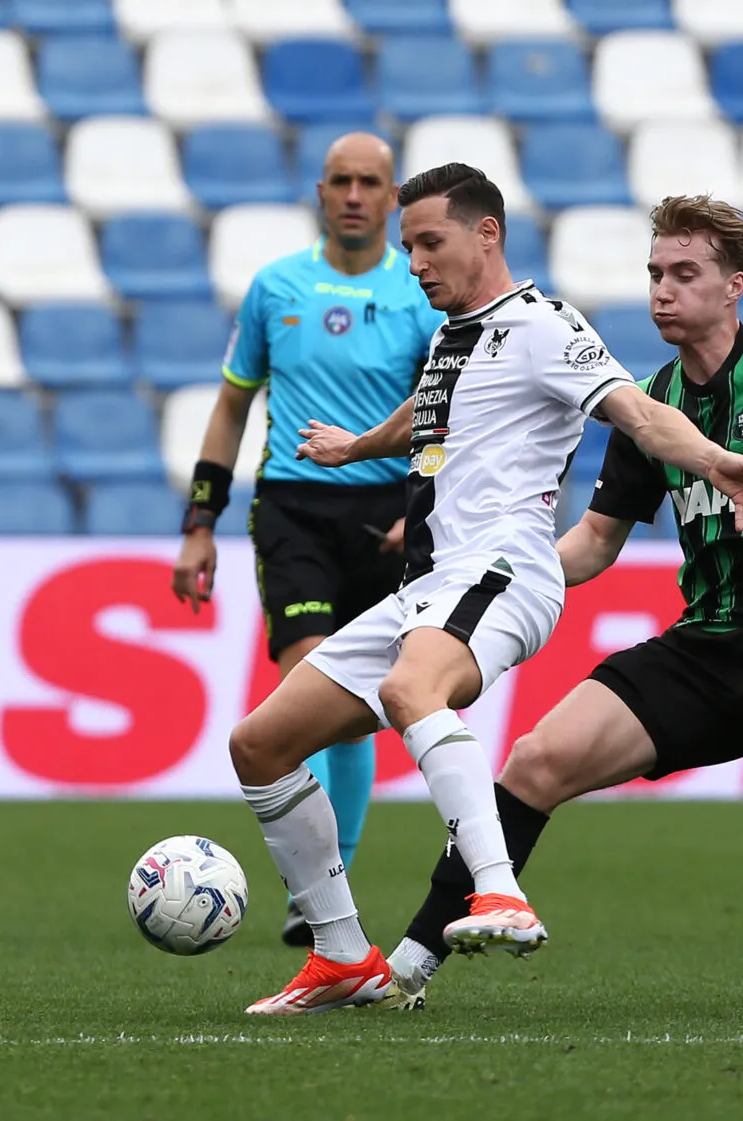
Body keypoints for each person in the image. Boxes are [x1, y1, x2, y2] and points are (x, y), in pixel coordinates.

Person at [378, 194, 743, 1020]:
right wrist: (485, 577)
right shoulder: (650, 405)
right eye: (655, 273)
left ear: (734, 285)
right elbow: (593, 541)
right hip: (705, 646)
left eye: (684, 274)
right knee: (534, 761)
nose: (662, 290)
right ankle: (405, 967)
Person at [229, 165, 743, 1015]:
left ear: (485, 234)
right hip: (428, 584)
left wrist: (714, 461)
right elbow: (429, 408)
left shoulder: (541, 325)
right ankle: (342, 954)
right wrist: (357, 446)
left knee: (411, 688)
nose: (412, 260)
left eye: (429, 242)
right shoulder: (455, 335)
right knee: (260, 744)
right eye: (409, 244)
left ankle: (498, 891)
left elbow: (635, 413)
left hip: (505, 568)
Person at [171, 133, 443, 948]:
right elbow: (231, 404)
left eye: (370, 182)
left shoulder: (420, 294)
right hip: (292, 505)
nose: (354, 194)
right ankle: (308, 885)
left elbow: (440, 416)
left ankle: (331, 873)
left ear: (393, 198)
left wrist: (422, 507)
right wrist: (198, 523)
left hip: (386, 512)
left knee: (355, 714)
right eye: (340, 181)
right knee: (306, 677)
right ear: (320, 192)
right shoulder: (275, 287)